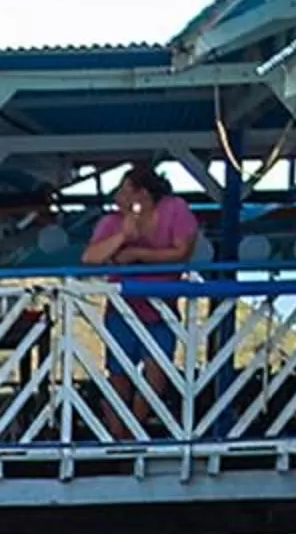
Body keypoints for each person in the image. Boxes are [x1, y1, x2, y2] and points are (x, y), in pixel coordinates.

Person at [84, 164, 205, 431]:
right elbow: (90, 258)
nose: (118, 196)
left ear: (143, 194)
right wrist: (123, 236)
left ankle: (133, 429)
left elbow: (181, 252)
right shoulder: (112, 222)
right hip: (123, 308)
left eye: (125, 190)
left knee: (157, 373)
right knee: (119, 374)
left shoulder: (175, 210)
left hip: (161, 307)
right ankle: (120, 434)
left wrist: (137, 254)